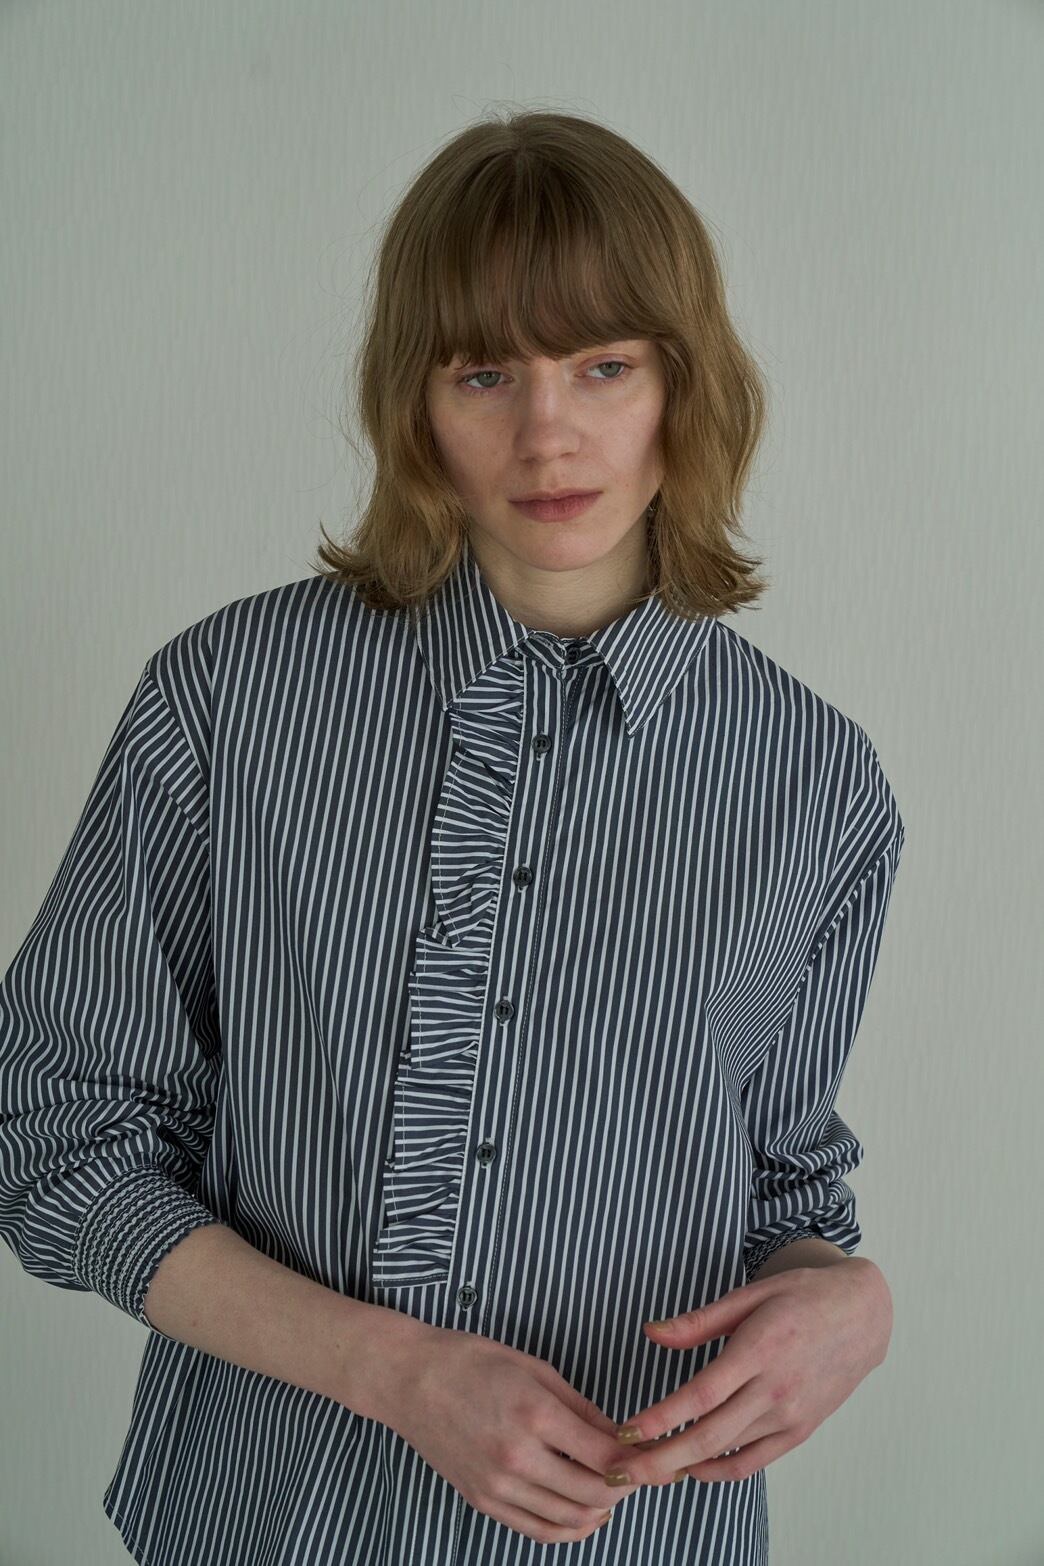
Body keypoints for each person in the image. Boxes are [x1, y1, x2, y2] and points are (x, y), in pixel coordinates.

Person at [0, 109, 906, 1565]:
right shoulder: (229, 699)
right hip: (269, 1518)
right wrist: (393, 1370)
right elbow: (55, 1136)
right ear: (413, 403)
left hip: (634, 1535)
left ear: (685, 385)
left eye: (604, 365)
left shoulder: (817, 782)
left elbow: (784, 1182)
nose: (548, 434)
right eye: (485, 372)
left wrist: (849, 1301)